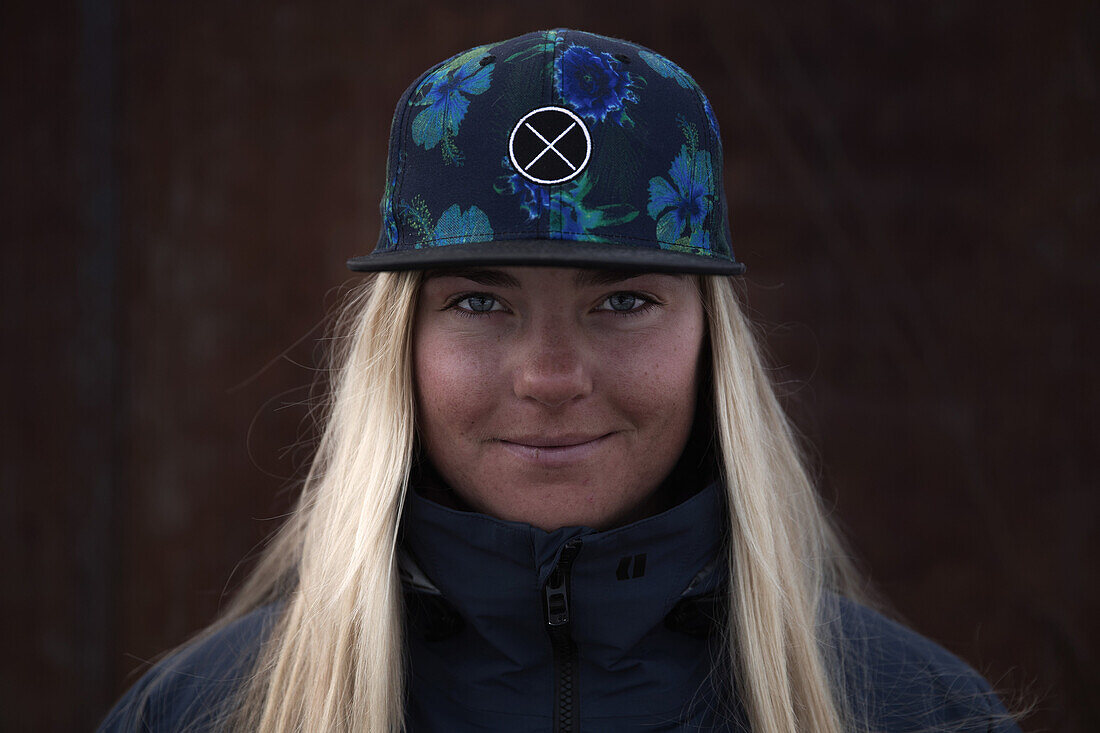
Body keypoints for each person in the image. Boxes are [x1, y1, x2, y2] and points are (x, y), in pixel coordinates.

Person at [98, 29, 1020, 732]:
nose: (548, 376)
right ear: (400, 346)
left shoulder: (916, 711)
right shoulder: (205, 712)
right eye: (478, 304)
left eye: (621, 301)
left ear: (712, 343)